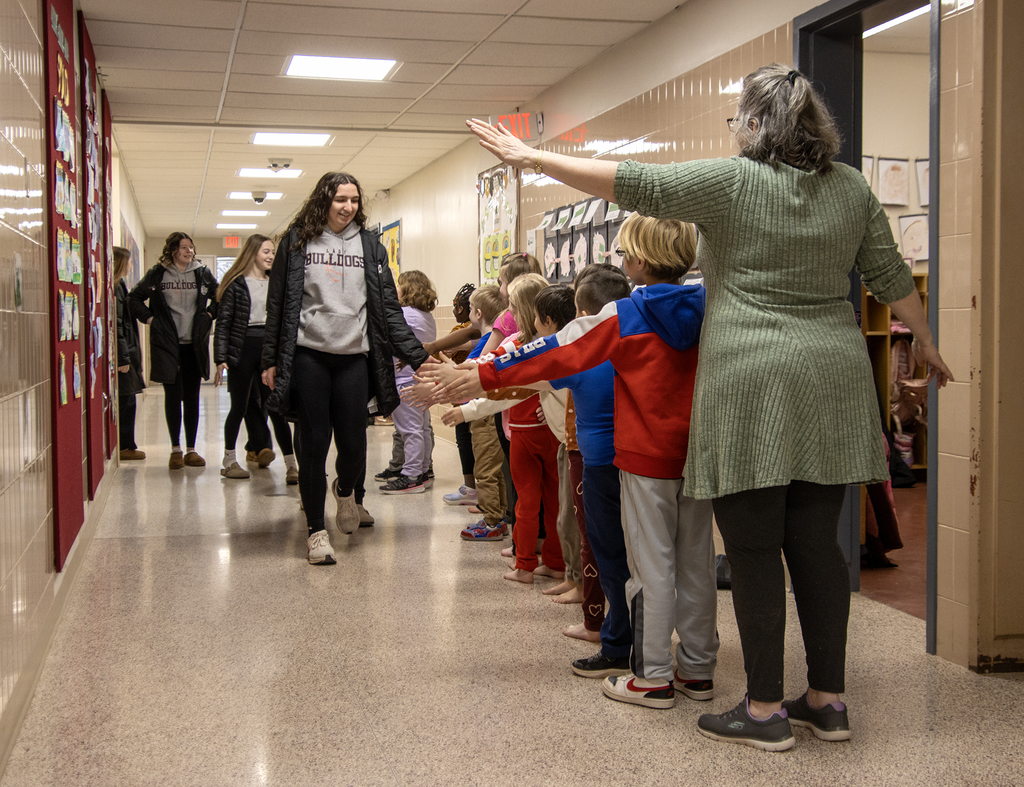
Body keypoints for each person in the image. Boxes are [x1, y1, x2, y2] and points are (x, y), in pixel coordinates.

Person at [465, 62, 953, 750]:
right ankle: (827, 699)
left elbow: (633, 182)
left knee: (753, 549)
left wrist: (528, 156)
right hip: (834, 378)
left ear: (755, 125)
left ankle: (762, 710)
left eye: (738, 123)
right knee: (818, 548)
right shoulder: (850, 188)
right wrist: (926, 341)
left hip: (752, 381)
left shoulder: (734, 182)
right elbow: (889, 274)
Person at [419, 215, 719, 713]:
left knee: (650, 566)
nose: (624, 261)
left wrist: (483, 375)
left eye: (626, 253)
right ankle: (697, 669)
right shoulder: (712, 304)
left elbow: (556, 350)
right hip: (701, 456)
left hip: (646, 458)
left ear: (640, 260)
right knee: (695, 564)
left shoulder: (626, 314)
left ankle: (652, 678)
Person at [261, 172, 429, 565]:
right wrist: (270, 358)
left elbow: (388, 309)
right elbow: (278, 303)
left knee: (354, 444)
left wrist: (420, 356)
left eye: (354, 199)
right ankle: (316, 532)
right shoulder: (298, 241)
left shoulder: (371, 245)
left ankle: (347, 489)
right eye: (340, 199)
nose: (348, 206)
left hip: (354, 356)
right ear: (324, 200)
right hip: (309, 354)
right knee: (314, 444)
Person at [128, 232, 218, 469]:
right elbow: (134, 299)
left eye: (191, 247)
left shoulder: (202, 273)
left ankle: (191, 450)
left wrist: (209, 315)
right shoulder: (158, 274)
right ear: (172, 250)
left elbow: (221, 297)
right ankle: (175, 449)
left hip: (194, 345)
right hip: (168, 345)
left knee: (192, 397)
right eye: (184, 248)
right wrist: (150, 320)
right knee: (172, 396)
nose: (189, 252)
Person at [213, 234, 297, 483]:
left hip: (268, 348)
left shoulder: (276, 282)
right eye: (266, 251)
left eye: (273, 252)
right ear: (252, 253)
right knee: (239, 406)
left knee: (276, 408)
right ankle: (229, 461)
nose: (271, 256)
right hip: (242, 349)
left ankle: (292, 465)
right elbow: (224, 323)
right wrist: (220, 358)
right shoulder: (236, 284)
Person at [437, 285, 510, 540]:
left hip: (484, 413)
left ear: (478, 313)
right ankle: (498, 515)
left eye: (469, 308)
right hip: (485, 410)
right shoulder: (486, 340)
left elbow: (470, 372)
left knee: (485, 470)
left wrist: (443, 364)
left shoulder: (486, 345)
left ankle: (491, 521)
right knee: (493, 469)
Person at [379, 270, 438, 494]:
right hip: (421, 379)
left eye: (398, 285)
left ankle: (411, 475)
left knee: (410, 430)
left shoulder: (404, 314)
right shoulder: (426, 316)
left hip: (405, 380)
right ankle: (421, 471)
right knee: (421, 428)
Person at [113, 245, 145, 461]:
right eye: (129, 261)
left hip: (128, 352)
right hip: (124, 355)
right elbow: (117, 324)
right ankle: (126, 446)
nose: (131, 264)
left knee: (129, 399)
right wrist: (123, 357)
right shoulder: (115, 288)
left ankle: (127, 444)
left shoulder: (120, 285)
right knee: (127, 401)